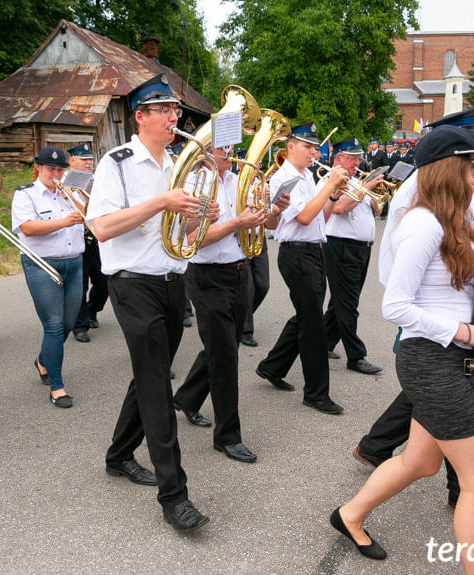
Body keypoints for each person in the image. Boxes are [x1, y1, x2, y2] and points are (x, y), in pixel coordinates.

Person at [331, 126, 474, 571]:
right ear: (450, 169)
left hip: (445, 357)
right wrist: (468, 333)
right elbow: (396, 306)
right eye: (472, 166)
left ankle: (348, 514)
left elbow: (443, 289)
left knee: (421, 462)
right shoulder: (424, 223)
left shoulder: (452, 221)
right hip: (432, 360)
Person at [86, 73, 215, 531]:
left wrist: (201, 217)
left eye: (176, 110)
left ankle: (119, 454)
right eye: (163, 110)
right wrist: (162, 201)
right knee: (159, 385)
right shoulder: (116, 164)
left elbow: (181, 238)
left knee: (150, 375)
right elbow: (100, 227)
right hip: (132, 284)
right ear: (140, 116)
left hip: (171, 282)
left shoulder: (177, 165)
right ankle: (173, 496)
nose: (174, 117)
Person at [173, 146, 287, 463]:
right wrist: (237, 222)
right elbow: (193, 238)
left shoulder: (241, 181)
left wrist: (274, 211)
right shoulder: (194, 184)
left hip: (239, 273)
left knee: (224, 346)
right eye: (224, 149)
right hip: (206, 275)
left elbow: (269, 228)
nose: (232, 154)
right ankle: (227, 436)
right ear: (207, 150)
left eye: (232, 148)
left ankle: (186, 397)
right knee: (225, 357)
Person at [255, 121, 347, 415]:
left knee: (307, 316)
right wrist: (330, 184)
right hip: (297, 255)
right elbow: (305, 217)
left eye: (315, 146)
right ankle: (316, 393)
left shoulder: (308, 176)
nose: (313, 152)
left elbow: (322, 217)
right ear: (290, 147)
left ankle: (272, 366)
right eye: (307, 146)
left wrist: (331, 194)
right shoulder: (284, 178)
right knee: (314, 326)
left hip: (315, 251)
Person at [12, 146, 85, 408]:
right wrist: (64, 222)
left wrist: (79, 201)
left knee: (67, 323)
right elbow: (28, 228)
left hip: (74, 263)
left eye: (60, 169)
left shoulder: (70, 194)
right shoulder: (26, 195)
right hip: (42, 265)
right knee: (54, 326)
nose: (56, 174)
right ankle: (57, 386)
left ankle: (43, 360)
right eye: (51, 168)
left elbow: (91, 218)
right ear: (39, 168)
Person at [323, 137, 383, 375]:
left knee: (342, 301)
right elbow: (338, 208)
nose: (358, 161)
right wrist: (365, 189)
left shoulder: (358, 180)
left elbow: (377, 210)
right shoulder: (330, 180)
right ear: (339, 158)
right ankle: (356, 356)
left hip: (362, 247)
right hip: (340, 245)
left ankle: (325, 342)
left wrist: (376, 193)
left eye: (359, 157)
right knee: (349, 303)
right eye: (353, 158)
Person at [66, 143, 109, 343]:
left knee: (104, 282)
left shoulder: (97, 181)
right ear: (71, 161)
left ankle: (93, 310)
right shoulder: (63, 183)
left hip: (97, 240)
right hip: (77, 239)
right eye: (84, 159)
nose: (89, 163)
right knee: (79, 285)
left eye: (91, 159)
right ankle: (80, 325)